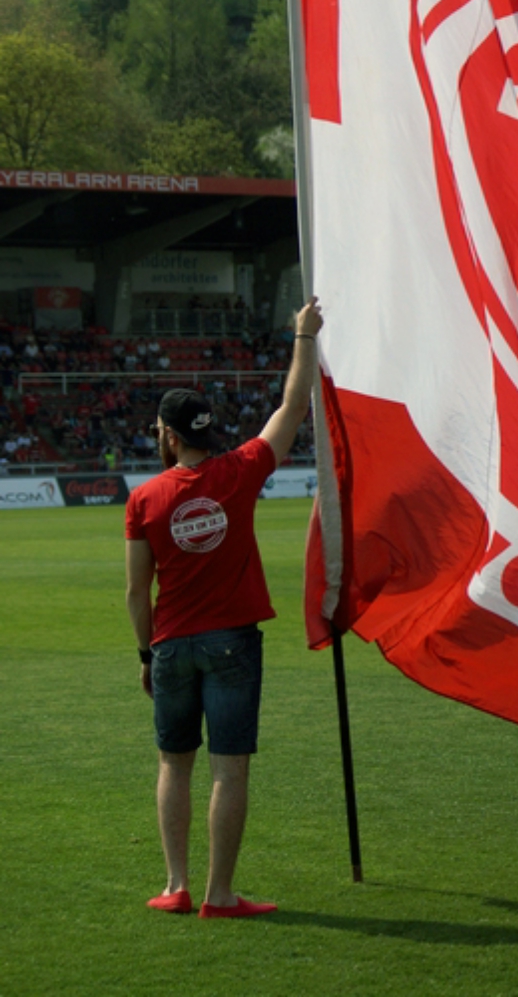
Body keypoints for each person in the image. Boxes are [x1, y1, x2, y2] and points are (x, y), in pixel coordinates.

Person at [125, 296, 323, 919]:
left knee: (173, 764)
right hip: (233, 641)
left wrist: (145, 651)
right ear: (207, 431)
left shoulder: (145, 498)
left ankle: (176, 884)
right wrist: (303, 337)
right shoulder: (239, 471)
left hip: (172, 644)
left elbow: (136, 591)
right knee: (228, 771)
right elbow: (291, 409)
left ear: (168, 433)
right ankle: (219, 895)